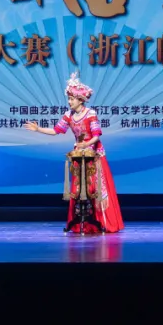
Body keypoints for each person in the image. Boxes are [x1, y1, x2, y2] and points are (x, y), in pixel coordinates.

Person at [23, 72, 124, 233]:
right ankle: (82, 222)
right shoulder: (68, 116)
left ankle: (103, 222)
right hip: (79, 157)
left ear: (80, 100)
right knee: (79, 190)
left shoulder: (90, 114)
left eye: (72, 99)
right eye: (69, 99)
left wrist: (85, 144)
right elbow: (56, 130)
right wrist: (38, 129)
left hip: (94, 156)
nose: (69, 102)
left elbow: (96, 136)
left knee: (96, 189)